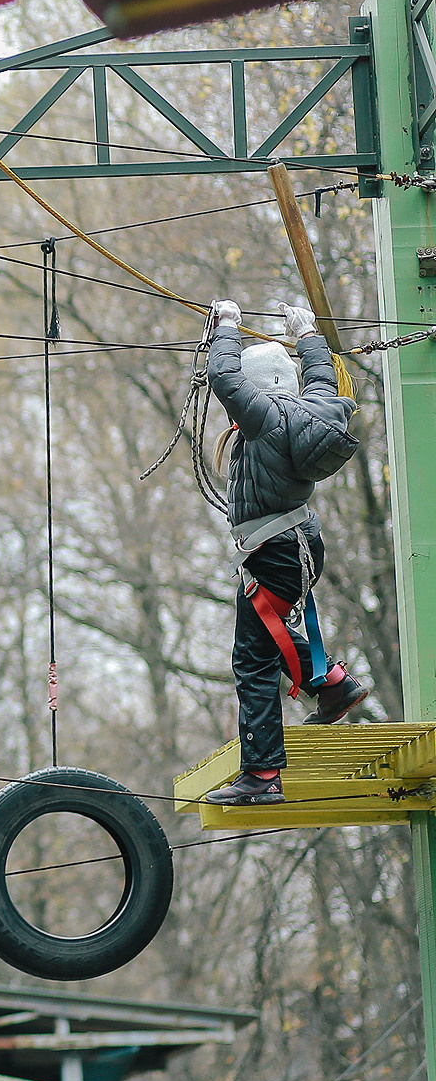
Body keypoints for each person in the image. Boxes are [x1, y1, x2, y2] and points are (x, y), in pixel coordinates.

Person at [201, 300, 370, 807]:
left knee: (252, 660)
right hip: (291, 543)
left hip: (276, 546)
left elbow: (223, 376)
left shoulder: (263, 416)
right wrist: (309, 335)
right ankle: (332, 684)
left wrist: (226, 327)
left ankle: (263, 774)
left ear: (258, 388)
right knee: (269, 638)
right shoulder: (313, 406)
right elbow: (322, 376)